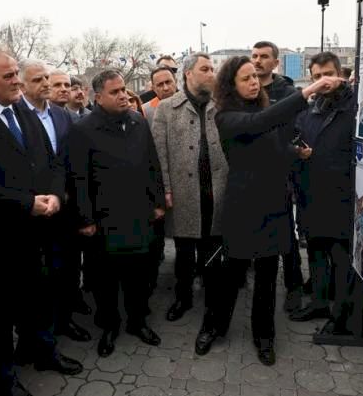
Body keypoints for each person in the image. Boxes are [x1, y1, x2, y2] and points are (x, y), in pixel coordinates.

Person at [0, 47, 81, 396]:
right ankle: (4, 381)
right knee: (0, 317)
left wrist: (54, 195)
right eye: (8, 75)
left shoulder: (23, 112)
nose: (16, 80)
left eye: (17, 72)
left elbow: (50, 162)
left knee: (39, 300)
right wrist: (26, 204)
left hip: (38, 233)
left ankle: (44, 353)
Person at [201, 56, 340, 365]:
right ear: (231, 86)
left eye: (255, 77)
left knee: (266, 278)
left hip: (273, 206)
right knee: (231, 275)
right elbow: (256, 127)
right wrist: (306, 92)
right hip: (241, 208)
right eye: (245, 78)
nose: (253, 82)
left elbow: (272, 149)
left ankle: (264, 338)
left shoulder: (266, 111)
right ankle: (213, 327)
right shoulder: (226, 116)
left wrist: (295, 153)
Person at [65, 70, 165, 358]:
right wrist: (85, 219)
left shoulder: (137, 122)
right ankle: (110, 325)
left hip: (139, 215)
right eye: (115, 92)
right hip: (103, 221)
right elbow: (79, 179)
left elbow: (152, 164)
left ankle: (137, 322)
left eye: (124, 89)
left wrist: (158, 201)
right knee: (105, 280)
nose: (123, 95)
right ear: (98, 97)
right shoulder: (83, 129)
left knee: (139, 275)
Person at [15, 60, 92, 346]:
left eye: (48, 77)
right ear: (22, 85)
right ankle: (34, 335)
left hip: (65, 206)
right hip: (34, 209)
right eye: (38, 80)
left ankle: (64, 320)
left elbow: (68, 160)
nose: (46, 84)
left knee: (67, 267)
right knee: (40, 277)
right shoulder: (16, 116)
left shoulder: (61, 115)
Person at [150, 54, 228, 324]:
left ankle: (214, 300)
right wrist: (166, 190)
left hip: (217, 191)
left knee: (213, 249)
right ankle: (183, 298)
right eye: (205, 69)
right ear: (188, 74)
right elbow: (159, 154)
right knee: (184, 252)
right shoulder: (167, 109)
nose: (211, 73)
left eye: (212, 69)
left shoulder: (223, 104)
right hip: (184, 194)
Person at [290, 52, 357, 330]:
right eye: (316, 77)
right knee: (315, 253)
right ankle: (318, 303)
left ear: (340, 72)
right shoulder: (308, 109)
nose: (322, 81)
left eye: (328, 74)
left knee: (340, 257)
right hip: (311, 193)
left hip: (342, 195)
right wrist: (296, 150)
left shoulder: (355, 106)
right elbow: (295, 137)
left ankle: (339, 314)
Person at [252, 40, 305, 311]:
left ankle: (293, 285)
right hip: (250, 175)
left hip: (280, 173)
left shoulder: (287, 93)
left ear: (275, 62)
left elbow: (293, 129)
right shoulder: (245, 91)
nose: (258, 61)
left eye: (264, 56)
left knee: (286, 233)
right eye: (254, 56)